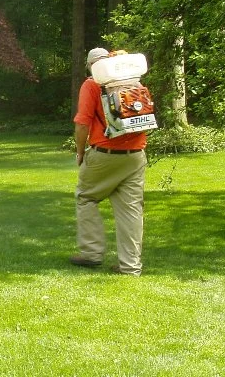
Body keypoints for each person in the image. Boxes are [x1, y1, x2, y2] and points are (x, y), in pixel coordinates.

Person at [69, 47, 147, 276]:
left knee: (86, 197)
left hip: (105, 154)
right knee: (131, 210)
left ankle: (91, 253)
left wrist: (81, 152)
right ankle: (130, 266)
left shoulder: (92, 84)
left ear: (91, 65)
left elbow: (82, 123)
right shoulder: (134, 81)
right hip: (136, 155)